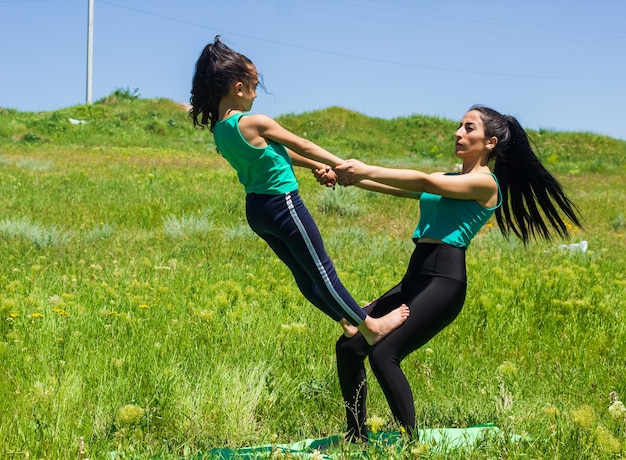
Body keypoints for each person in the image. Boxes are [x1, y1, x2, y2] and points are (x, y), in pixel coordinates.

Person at [332, 105, 583, 441]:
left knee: (383, 354)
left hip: (443, 282)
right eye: (459, 127)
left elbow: (423, 180)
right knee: (349, 347)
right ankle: (356, 437)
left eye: (469, 128)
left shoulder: (485, 184)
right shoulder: (451, 180)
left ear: (490, 142)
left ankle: (411, 443)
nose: (458, 133)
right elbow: (400, 188)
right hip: (416, 276)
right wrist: (350, 178)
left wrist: (365, 167)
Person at [189, 36, 409, 345]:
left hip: (257, 211)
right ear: (238, 88)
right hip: (284, 205)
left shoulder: (221, 131)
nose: (256, 93)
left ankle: (346, 321)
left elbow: (278, 154)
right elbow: (300, 144)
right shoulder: (254, 122)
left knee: (304, 274)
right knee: (322, 269)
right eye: (254, 85)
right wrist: (341, 163)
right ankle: (371, 327)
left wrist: (314, 167)